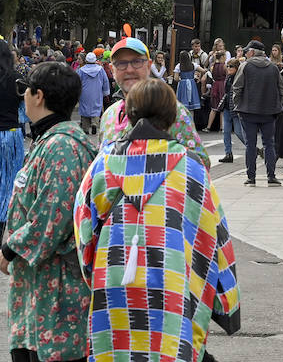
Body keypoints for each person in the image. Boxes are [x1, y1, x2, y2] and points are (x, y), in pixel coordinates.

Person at [76, 80, 240, 358]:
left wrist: (93, 273)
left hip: (114, 283)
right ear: (173, 117)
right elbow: (215, 235)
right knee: (169, 349)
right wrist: (227, 305)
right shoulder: (192, 170)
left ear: (127, 115)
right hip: (172, 283)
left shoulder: (102, 165)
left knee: (115, 351)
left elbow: (83, 229)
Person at [2, 62, 98, 362]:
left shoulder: (62, 147)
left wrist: (9, 249)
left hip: (56, 296)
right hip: (40, 292)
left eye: (25, 90)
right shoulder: (52, 139)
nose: (24, 97)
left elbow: (50, 221)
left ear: (38, 96)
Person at [99, 37, 211, 171]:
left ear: (148, 66)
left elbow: (200, 164)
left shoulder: (174, 111)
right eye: (121, 63)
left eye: (137, 62)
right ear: (112, 69)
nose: (129, 69)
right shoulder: (109, 115)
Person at [232, 39, 283, 187]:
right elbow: (282, 90)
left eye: (247, 51)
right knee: (269, 144)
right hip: (269, 112)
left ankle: (251, 177)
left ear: (252, 52)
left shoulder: (245, 66)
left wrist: (239, 105)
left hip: (248, 111)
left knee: (250, 144)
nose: (245, 53)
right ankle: (271, 176)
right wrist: (276, 105)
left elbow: (237, 88)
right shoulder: (273, 68)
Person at [0, 41, 24, 240]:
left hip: (9, 133)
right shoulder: (17, 80)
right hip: (11, 135)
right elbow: (27, 112)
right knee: (8, 185)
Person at [216, 57, 245, 163]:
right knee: (226, 131)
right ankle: (228, 153)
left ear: (237, 68)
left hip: (236, 107)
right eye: (227, 66)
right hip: (227, 106)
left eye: (231, 66)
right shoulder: (228, 77)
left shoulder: (240, 78)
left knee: (238, 132)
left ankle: (253, 149)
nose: (228, 68)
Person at [77, 51, 110, 134]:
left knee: (85, 109)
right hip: (97, 92)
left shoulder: (81, 70)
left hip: (84, 93)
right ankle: (94, 123)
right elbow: (105, 81)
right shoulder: (100, 70)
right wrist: (106, 92)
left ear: (86, 61)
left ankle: (85, 128)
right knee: (96, 108)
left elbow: (77, 82)